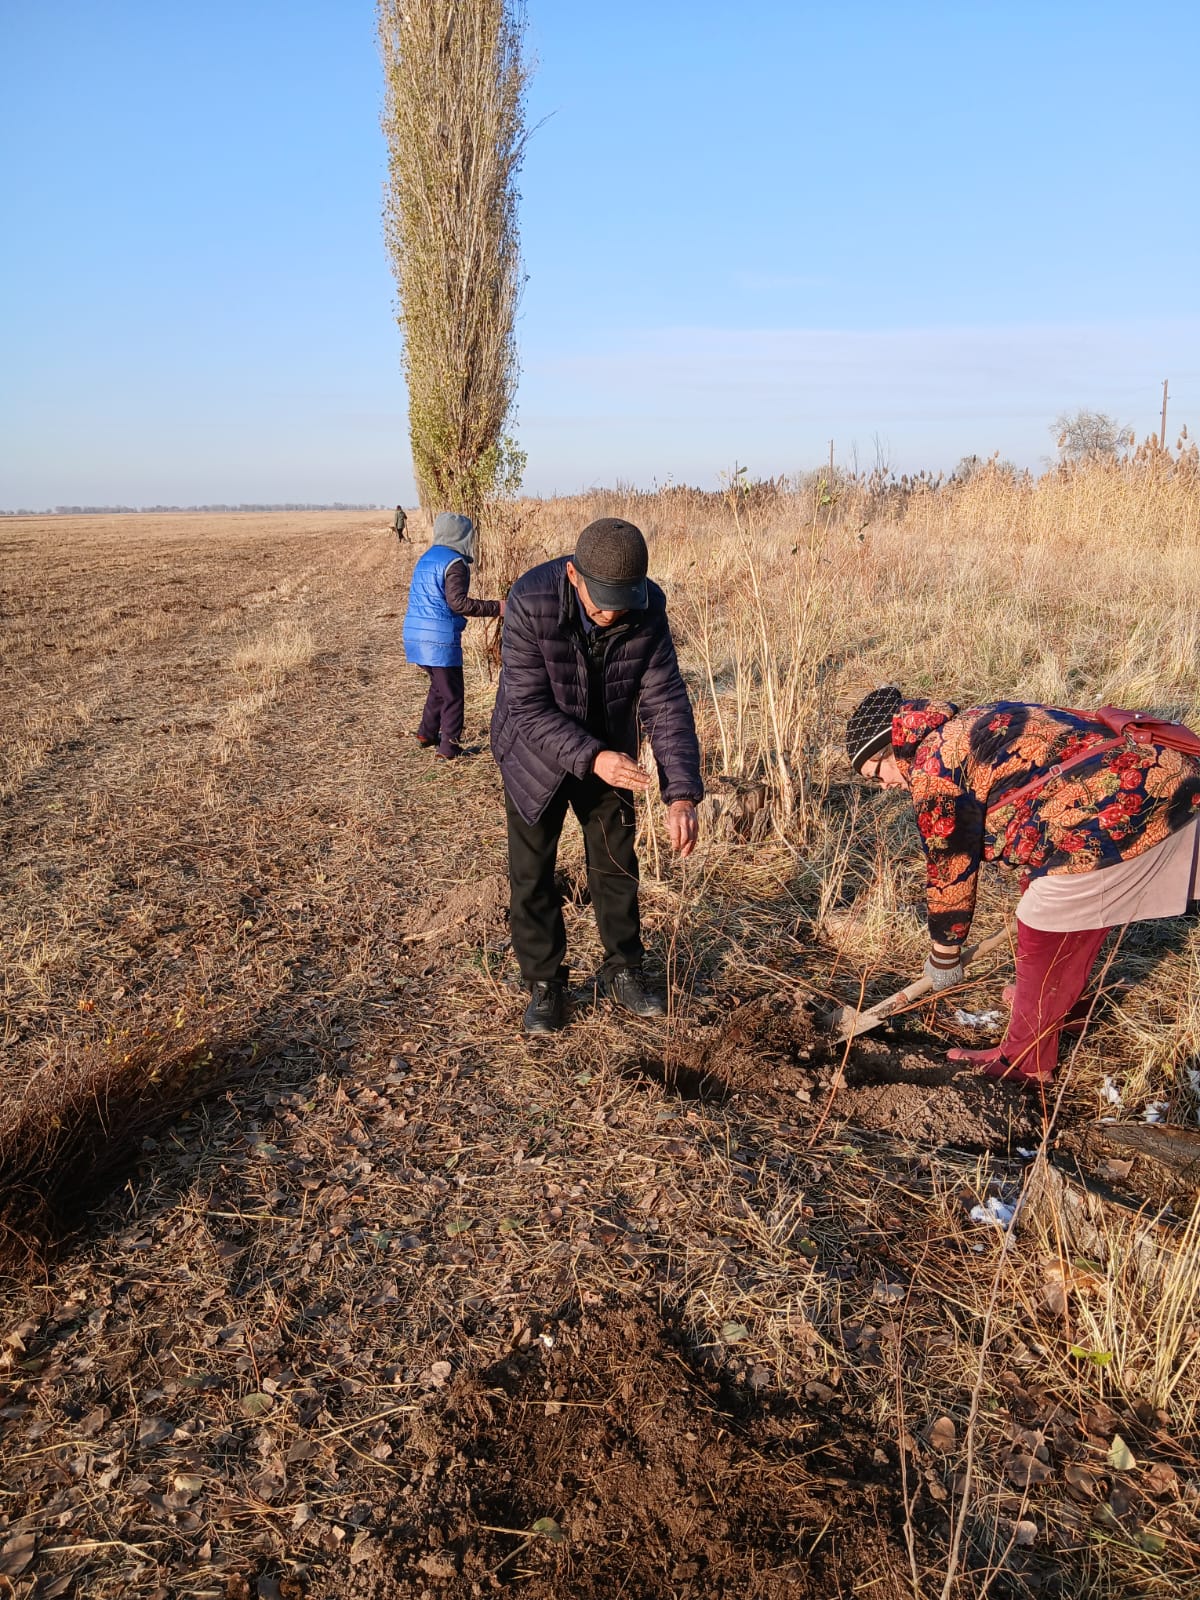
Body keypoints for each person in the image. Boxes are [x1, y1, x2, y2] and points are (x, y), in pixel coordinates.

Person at [846, 686, 1200, 1085]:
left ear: (889, 753)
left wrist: (944, 956)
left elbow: (950, 868)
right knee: (1051, 897)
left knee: (1044, 922)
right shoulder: (970, 720)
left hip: (1126, 812)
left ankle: (1026, 1061)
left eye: (876, 776)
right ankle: (1056, 1007)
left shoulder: (932, 769)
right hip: (1168, 776)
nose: (884, 786)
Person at [491, 518, 703, 1034]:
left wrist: (681, 793)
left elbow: (665, 699)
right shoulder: (529, 600)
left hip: (610, 750)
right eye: (600, 599)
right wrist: (592, 757)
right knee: (533, 871)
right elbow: (525, 704)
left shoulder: (646, 608)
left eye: (621, 600)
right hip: (533, 752)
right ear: (572, 574)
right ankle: (545, 983)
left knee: (615, 863)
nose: (610, 614)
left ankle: (624, 970)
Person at [402, 512, 503, 760]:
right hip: (438, 640)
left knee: (439, 685)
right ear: (463, 536)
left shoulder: (427, 558)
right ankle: (449, 748)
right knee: (453, 694)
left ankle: (426, 732)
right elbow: (458, 603)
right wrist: (499, 607)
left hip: (415, 635)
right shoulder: (454, 563)